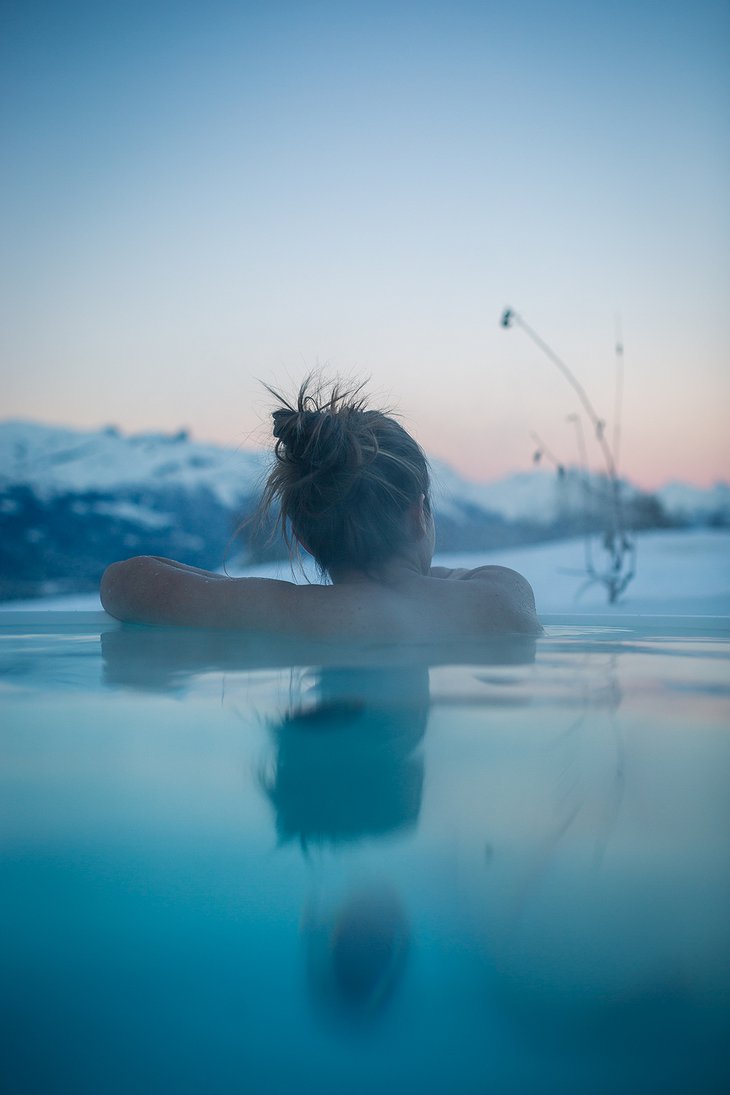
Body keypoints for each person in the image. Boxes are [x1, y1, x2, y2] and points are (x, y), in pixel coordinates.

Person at [100, 378, 541, 639]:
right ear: (417, 514)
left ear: (305, 538)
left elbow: (121, 583)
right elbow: (511, 591)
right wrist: (414, 579)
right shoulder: (492, 605)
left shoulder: (285, 612)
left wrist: (229, 592)